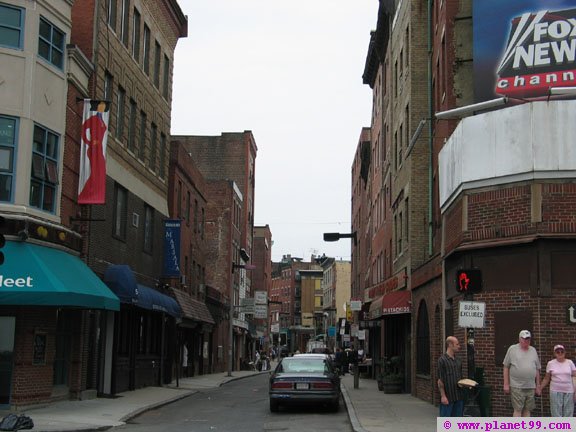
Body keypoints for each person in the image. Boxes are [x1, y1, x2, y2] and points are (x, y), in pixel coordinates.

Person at [503, 330, 542, 417]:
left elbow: (537, 369)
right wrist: (506, 384)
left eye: (528, 339)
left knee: (528, 409)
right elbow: (506, 366)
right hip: (517, 386)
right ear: (519, 339)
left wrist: (538, 385)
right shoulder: (512, 349)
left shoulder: (533, 350)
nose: (526, 341)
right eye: (524, 339)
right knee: (517, 409)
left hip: (530, 386)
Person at [540, 344, 576, 417]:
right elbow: (547, 378)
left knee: (568, 412)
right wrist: (540, 388)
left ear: (565, 353)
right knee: (556, 412)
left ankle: (568, 427)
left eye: (561, 352)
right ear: (554, 353)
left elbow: (574, 376)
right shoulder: (550, 363)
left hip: (569, 390)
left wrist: (575, 391)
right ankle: (558, 427)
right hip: (555, 390)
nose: (560, 353)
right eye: (557, 352)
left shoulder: (570, 363)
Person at [437, 336, 464, 417]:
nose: (459, 346)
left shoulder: (459, 360)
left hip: (459, 397)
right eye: (457, 344)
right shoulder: (442, 360)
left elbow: (460, 378)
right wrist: (443, 396)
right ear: (450, 345)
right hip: (448, 398)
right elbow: (440, 380)